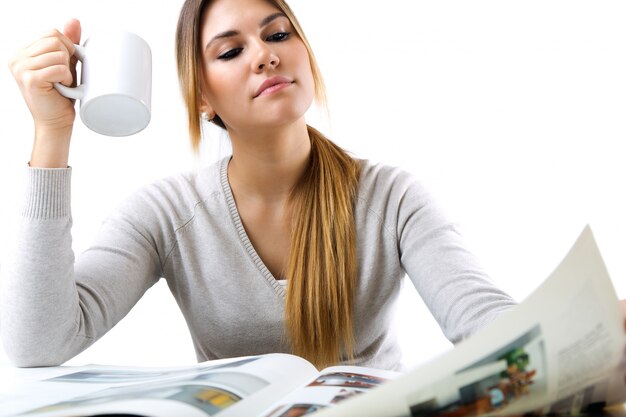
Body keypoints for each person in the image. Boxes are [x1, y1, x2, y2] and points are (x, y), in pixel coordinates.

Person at [1, 0, 623, 372]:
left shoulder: (391, 198)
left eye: (277, 35)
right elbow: (40, 342)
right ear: (202, 96)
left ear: (305, 55)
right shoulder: (165, 214)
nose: (265, 56)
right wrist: (51, 137)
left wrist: (585, 330)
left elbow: (481, 322)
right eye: (229, 51)